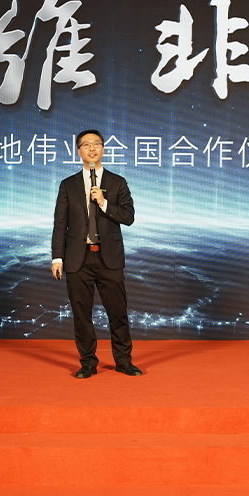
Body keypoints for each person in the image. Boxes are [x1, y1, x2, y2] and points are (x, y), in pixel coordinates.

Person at [51, 129, 142, 378]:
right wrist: (57, 257)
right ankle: (88, 362)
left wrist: (103, 202)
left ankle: (123, 360)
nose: (92, 148)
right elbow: (60, 224)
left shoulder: (117, 182)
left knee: (118, 312)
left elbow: (129, 216)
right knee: (82, 314)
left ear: (103, 149)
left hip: (108, 257)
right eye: (86, 145)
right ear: (78, 151)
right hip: (77, 258)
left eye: (97, 144)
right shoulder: (68, 185)